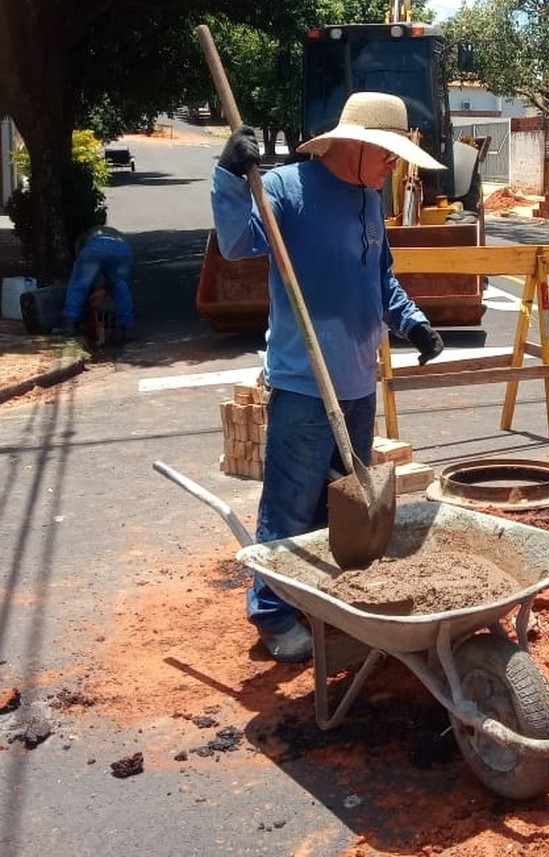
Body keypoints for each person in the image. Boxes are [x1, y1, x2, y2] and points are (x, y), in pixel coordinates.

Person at [211, 92, 446, 662]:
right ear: (357, 145)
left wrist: (412, 322)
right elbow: (237, 242)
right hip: (304, 383)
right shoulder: (289, 189)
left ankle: (321, 599)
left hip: (359, 380)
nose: (394, 166)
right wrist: (227, 177)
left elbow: (380, 277)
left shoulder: (368, 199)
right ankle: (272, 613)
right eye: (387, 154)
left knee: (339, 503)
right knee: (290, 505)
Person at [53, 225, 135, 342]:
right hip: (123, 250)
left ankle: (69, 323)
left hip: (96, 248)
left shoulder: (83, 241)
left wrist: (95, 288)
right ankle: (126, 329)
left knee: (79, 285)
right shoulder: (117, 235)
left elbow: (85, 272)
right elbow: (112, 279)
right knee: (121, 287)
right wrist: (104, 289)